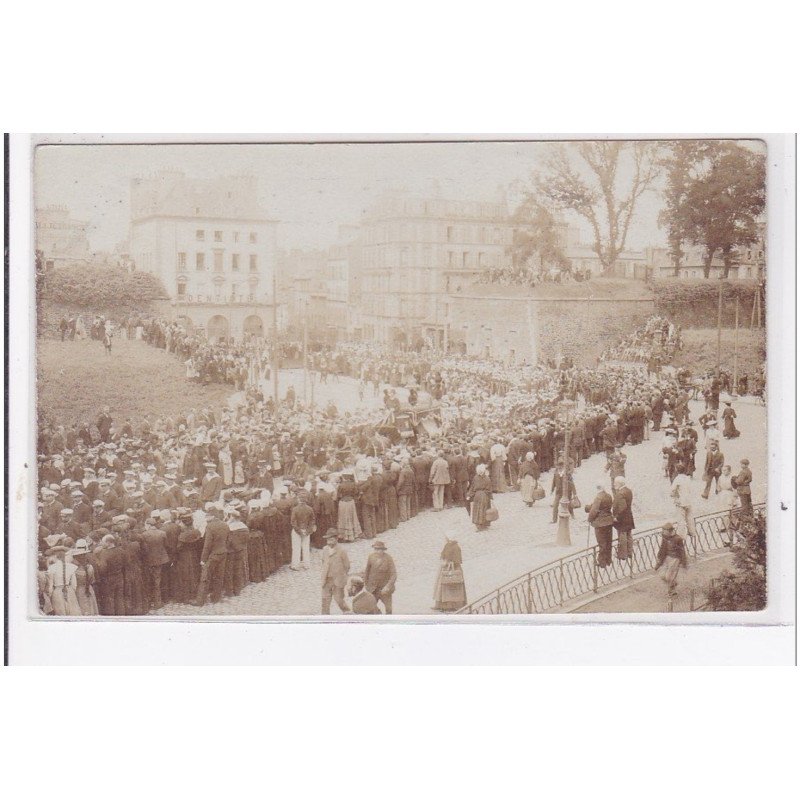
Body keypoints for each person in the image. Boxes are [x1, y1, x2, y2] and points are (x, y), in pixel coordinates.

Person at [194, 507, 230, 605]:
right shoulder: (225, 525)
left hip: (213, 554)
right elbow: (227, 539)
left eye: (207, 516)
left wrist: (203, 559)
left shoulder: (210, 526)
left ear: (212, 516)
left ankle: (200, 601)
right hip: (223, 552)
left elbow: (207, 544)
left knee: (205, 577)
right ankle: (216, 597)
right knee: (219, 576)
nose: (206, 518)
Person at [45, 544, 81, 616]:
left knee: (60, 612)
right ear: (65, 555)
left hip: (57, 592)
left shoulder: (52, 568)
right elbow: (74, 584)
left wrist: (50, 595)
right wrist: (70, 591)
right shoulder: (71, 567)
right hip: (69, 591)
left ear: (55, 556)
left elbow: (50, 586)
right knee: (72, 612)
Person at [320, 529, 350, 614]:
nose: (329, 542)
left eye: (331, 540)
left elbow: (347, 566)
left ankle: (349, 614)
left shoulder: (342, 551)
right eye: (327, 540)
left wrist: (341, 576)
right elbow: (324, 562)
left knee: (339, 600)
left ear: (336, 539)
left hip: (338, 580)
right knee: (325, 600)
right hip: (327, 580)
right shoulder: (325, 549)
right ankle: (325, 619)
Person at [654, 522, 689, 597]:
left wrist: (684, 562)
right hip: (667, 558)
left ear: (670, 531)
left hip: (675, 559)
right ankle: (673, 583)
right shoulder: (665, 538)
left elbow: (682, 551)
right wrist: (659, 560)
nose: (663, 532)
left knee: (669, 576)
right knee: (662, 575)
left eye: (664, 531)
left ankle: (671, 591)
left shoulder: (678, 539)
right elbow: (662, 549)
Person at [432, 538, 466, 612]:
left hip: (453, 569)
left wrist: (451, 562)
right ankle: (441, 605)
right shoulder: (447, 545)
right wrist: (444, 560)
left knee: (452, 587)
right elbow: (442, 554)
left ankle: (452, 606)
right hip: (445, 568)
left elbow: (458, 560)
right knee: (442, 587)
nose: (446, 540)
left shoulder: (456, 547)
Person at [363, 540, 397, 614]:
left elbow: (394, 574)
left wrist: (387, 586)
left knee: (388, 609)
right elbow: (367, 572)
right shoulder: (371, 557)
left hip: (384, 589)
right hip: (373, 588)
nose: (377, 551)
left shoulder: (388, 558)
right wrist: (366, 584)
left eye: (380, 549)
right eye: (376, 549)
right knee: (370, 607)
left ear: (383, 550)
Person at [586, 483, 614, 568]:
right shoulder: (609, 496)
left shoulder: (598, 497)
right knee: (609, 541)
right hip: (609, 522)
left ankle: (602, 562)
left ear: (597, 488)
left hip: (600, 524)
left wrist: (589, 519)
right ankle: (608, 560)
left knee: (602, 543)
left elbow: (594, 511)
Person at [70, 539, 99, 615]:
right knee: (90, 607)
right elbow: (92, 580)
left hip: (78, 591)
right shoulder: (90, 567)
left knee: (81, 608)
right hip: (88, 589)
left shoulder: (74, 569)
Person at [290, 494, 315, 570]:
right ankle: (306, 565)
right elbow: (312, 520)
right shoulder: (310, 509)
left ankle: (295, 565)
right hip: (306, 530)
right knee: (306, 547)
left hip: (297, 530)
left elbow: (293, 521)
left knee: (296, 548)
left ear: (299, 500)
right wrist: (308, 530)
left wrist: (298, 530)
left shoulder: (295, 509)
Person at [612, 476, 635, 561]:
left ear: (620, 483)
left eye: (615, 482)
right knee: (629, 535)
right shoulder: (628, 491)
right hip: (629, 516)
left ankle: (622, 555)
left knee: (622, 536)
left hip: (622, 518)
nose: (614, 484)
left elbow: (622, 507)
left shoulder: (620, 493)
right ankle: (629, 552)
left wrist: (617, 517)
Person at [670, 464, 696, 538]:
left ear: (677, 470)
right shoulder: (688, 478)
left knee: (681, 519)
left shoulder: (677, 479)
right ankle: (692, 532)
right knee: (690, 517)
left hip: (681, 501)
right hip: (688, 500)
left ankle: (681, 536)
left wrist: (674, 496)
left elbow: (672, 490)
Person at [466, 463, 493, 532]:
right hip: (485, 495)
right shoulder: (487, 478)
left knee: (478, 510)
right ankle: (485, 523)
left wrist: (469, 495)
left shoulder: (475, 478)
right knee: (485, 509)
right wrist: (491, 498)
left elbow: (472, 488)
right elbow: (490, 489)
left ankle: (479, 524)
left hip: (477, 496)